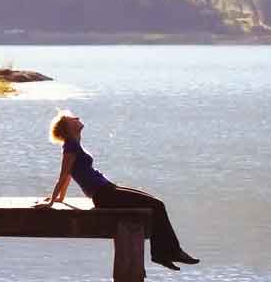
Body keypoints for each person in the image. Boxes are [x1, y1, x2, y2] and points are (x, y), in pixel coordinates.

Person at [36, 110, 199, 271]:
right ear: (67, 127)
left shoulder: (75, 142)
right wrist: (51, 202)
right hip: (104, 195)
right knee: (157, 205)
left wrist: (59, 198)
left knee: (155, 204)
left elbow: (70, 174)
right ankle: (170, 252)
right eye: (72, 118)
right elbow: (64, 175)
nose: (77, 117)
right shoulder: (70, 146)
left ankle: (163, 253)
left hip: (108, 190)